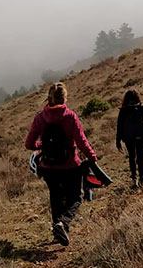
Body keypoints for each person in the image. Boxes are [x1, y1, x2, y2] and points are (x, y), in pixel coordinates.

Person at [24, 83, 97, 246]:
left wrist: (40, 146)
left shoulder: (40, 118)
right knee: (76, 198)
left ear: (49, 98)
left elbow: (29, 143)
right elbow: (81, 141)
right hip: (70, 165)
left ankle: (58, 232)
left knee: (55, 197)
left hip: (48, 168)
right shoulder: (70, 117)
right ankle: (62, 224)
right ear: (64, 98)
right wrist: (92, 157)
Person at [115, 89, 143, 190]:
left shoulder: (123, 110)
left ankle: (134, 179)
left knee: (132, 158)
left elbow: (119, 126)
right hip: (140, 137)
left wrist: (118, 140)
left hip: (128, 138)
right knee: (141, 159)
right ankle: (142, 181)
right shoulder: (142, 107)